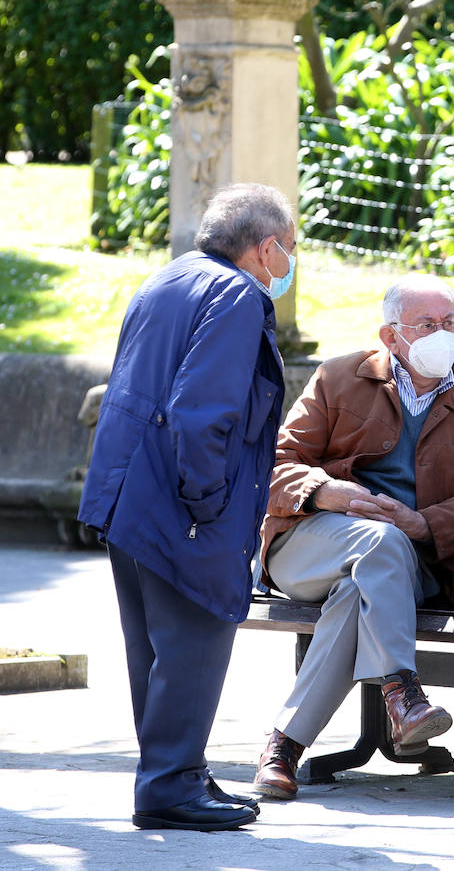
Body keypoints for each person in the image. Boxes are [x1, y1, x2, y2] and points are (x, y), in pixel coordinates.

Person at [251, 273, 454, 801]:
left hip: (415, 563)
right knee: (378, 542)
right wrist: (323, 490)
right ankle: (402, 691)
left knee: (365, 582)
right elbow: (275, 464)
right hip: (311, 546)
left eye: (449, 323)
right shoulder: (338, 377)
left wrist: (424, 524)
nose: (440, 334)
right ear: (389, 334)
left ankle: (283, 747)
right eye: (426, 325)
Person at [77, 183, 295, 831]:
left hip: (128, 494)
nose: (289, 262)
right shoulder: (235, 295)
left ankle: (177, 772)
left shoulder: (166, 279)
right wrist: (207, 503)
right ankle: (170, 783)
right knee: (194, 640)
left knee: (157, 649)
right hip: (183, 499)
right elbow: (202, 414)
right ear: (265, 249)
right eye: (290, 247)